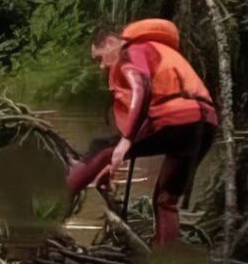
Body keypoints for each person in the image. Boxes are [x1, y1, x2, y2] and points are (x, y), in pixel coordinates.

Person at [66, 19, 218, 246]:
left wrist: (126, 141)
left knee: (100, 146)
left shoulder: (131, 51)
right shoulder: (160, 51)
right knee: (166, 200)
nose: (101, 66)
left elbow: (141, 87)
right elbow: (151, 123)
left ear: (110, 42)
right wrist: (113, 160)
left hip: (175, 120)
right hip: (204, 124)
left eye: (99, 58)